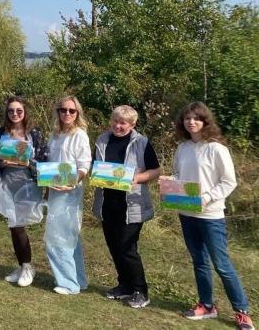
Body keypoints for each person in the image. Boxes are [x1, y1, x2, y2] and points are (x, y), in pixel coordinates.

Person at [171, 102, 253, 330]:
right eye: (187, 118)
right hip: (186, 213)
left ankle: (242, 311)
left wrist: (206, 198)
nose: (191, 122)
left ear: (205, 122)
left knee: (222, 265)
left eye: (196, 118)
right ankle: (207, 305)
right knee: (199, 262)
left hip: (210, 215)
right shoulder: (182, 148)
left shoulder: (216, 149)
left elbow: (229, 182)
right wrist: (170, 183)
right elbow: (179, 175)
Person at [91, 105, 160, 309]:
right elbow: (96, 165)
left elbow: (156, 170)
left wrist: (136, 178)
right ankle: (125, 285)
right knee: (114, 246)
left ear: (132, 124)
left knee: (127, 248)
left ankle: (141, 290)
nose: (118, 126)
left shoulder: (141, 142)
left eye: (123, 123)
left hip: (132, 205)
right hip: (107, 203)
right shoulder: (102, 140)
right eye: (115, 121)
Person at [0, 96, 48, 287]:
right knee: (13, 225)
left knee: (19, 226)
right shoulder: (1, 132)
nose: (15, 114)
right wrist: (1, 162)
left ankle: (27, 266)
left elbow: (43, 160)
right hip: (7, 184)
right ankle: (22, 265)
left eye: (19, 110)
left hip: (27, 185)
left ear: (25, 112)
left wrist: (26, 162)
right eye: (11, 111)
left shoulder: (34, 133)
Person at [44, 95, 91, 295]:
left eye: (72, 111)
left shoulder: (79, 135)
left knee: (56, 238)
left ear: (77, 113)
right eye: (63, 110)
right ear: (58, 112)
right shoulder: (54, 134)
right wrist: (46, 188)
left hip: (69, 192)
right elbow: (49, 163)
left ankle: (68, 284)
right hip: (53, 191)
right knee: (70, 236)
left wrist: (73, 182)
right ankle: (79, 280)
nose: (67, 114)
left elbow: (84, 165)